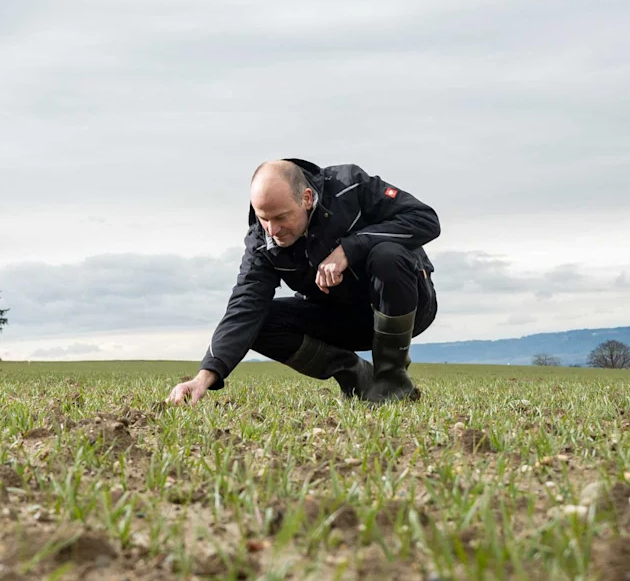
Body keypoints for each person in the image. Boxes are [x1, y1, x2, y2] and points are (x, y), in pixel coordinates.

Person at [167, 158, 439, 406]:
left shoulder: (350, 186)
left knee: (387, 254)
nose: (273, 231)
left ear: (307, 198)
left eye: (281, 217)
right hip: (343, 320)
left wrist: (350, 248)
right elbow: (244, 307)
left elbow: (425, 219)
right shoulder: (262, 244)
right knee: (259, 320)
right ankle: (356, 375)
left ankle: (392, 381)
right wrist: (203, 377)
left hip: (406, 303)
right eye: (264, 218)